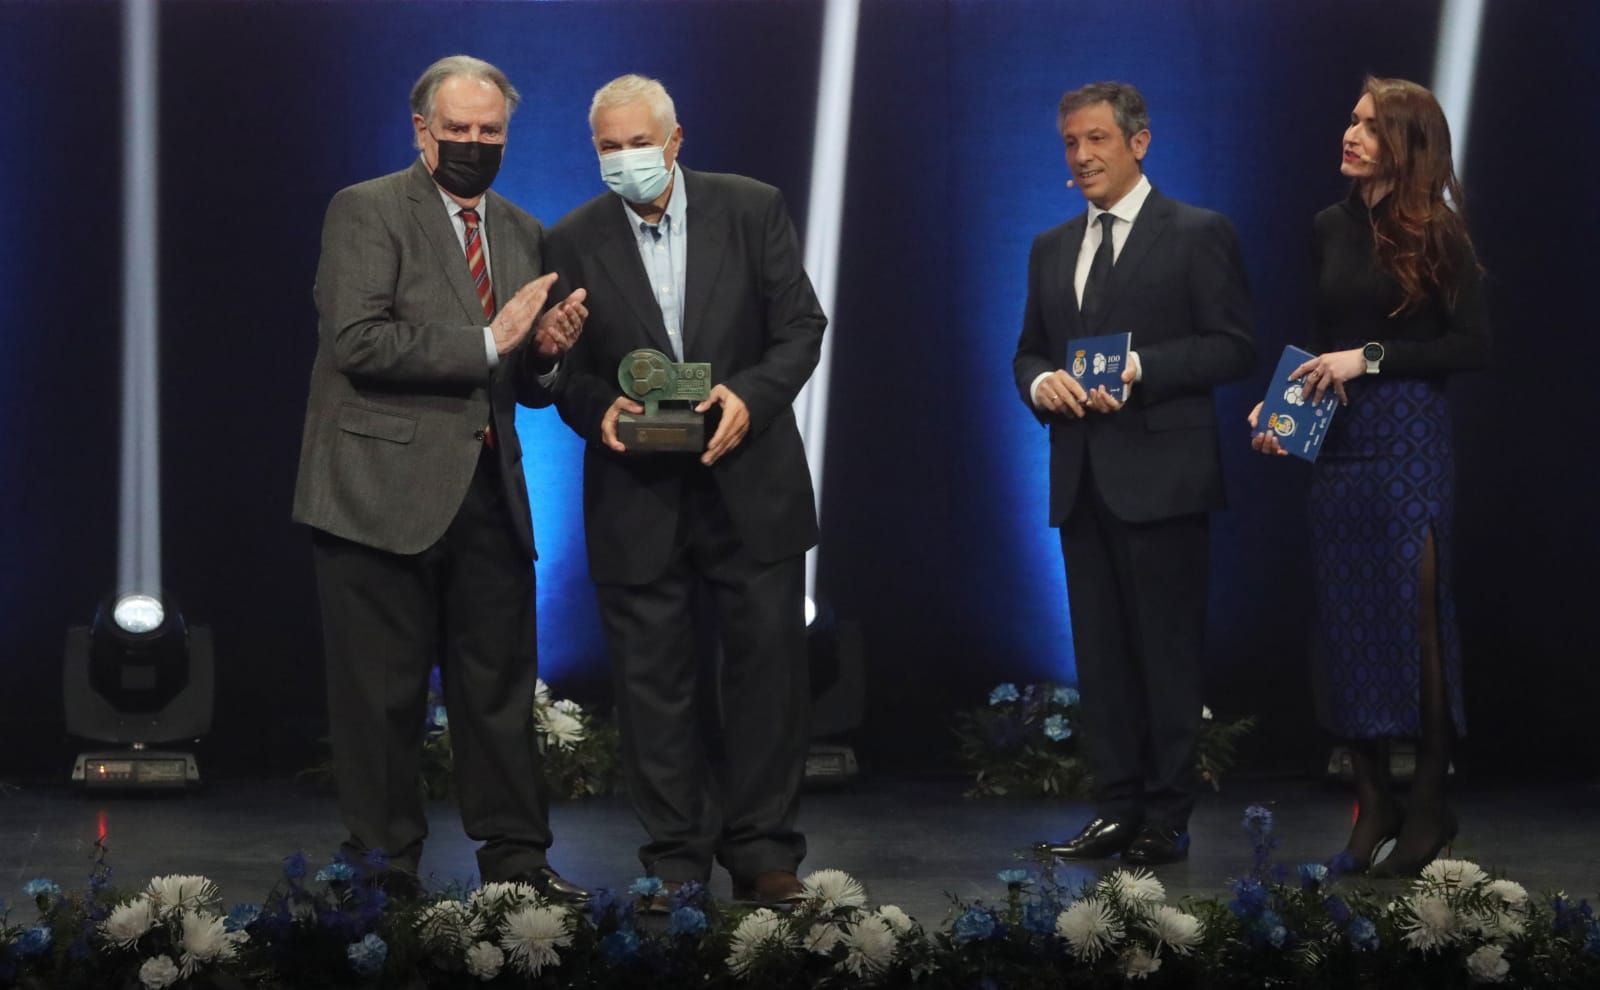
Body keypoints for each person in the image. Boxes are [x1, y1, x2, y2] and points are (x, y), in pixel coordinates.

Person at [292, 55, 590, 901]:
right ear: (420, 130)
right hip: (374, 492)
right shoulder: (367, 210)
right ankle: (385, 869)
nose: (472, 142)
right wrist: (493, 341)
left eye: (487, 130)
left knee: (498, 693)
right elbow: (358, 340)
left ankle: (518, 865)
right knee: (379, 699)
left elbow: (523, 384)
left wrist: (544, 357)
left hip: (489, 492)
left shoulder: (525, 230)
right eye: (455, 129)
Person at [545, 74, 825, 907]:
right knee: (652, 686)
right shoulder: (569, 237)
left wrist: (751, 396)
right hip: (637, 491)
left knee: (766, 678)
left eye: (638, 142)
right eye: (608, 147)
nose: (625, 159)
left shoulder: (750, 207)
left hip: (750, 480)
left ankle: (764, 852)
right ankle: (675, 858)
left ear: (675, 141)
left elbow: (800, 327)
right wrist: (599, 411)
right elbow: (561, 372)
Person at [1249, 76, 1489, 878]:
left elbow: (1470, 346)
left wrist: (1373, 358)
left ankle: (1427, 800)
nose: (1349, 134)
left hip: (1409, 439)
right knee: (1345, 627)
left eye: (1369, 126)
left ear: (1406, 143)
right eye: (1350, 120)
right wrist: (1283, 417)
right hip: (1343, 444)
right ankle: (1371, 799)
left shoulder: (1441, 232)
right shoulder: (1327, 227)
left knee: (1414, 624)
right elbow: (1324, 344)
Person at [1015, 81, 1255, 866]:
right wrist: (1038, 383)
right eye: (1071, 144)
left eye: (1096, 141)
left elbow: (1232, 345)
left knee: (1166, 654)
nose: (1081, 156)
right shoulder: (1052, 246)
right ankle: (1115, 808)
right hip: (1081, 478)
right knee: (1103, 660)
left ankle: (1165, 816)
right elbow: (1029, 349)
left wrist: (1143, 367)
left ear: (1139, 142)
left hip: (1164, 478)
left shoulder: (1196, 232)